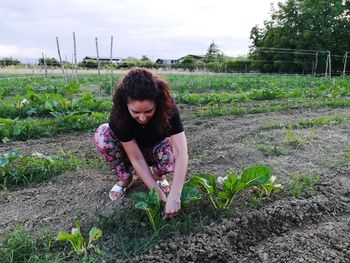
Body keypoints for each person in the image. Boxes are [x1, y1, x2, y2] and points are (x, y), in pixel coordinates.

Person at [94, 68, 188, 219]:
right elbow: (136, 158)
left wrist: (175, 196)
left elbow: (181, 152)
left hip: (157, 151)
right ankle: (125, 178)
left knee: (173, 148)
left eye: (149, 111)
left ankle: (158, 174)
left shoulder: (168, 109)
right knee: (102, 134)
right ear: (126, 104)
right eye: (136, 112)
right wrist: (158, 196)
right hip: (131, 153)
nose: (143, 118)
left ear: (157, 102)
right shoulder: (119, 115)